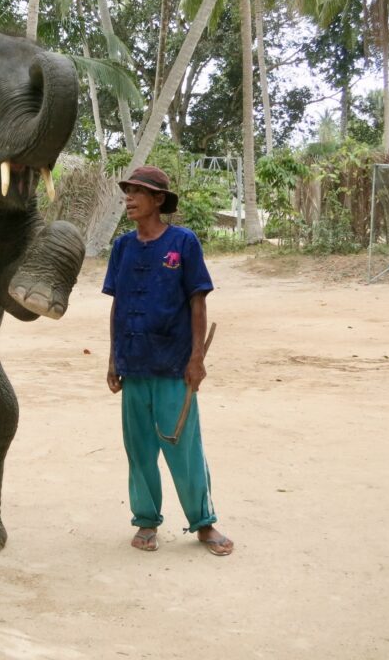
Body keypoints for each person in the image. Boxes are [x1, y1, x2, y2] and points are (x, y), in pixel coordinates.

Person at [102, 167, 231, 556]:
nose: (129, 198)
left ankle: (204, 523)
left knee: (184, 446)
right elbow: (117, 306)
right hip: (133, 363)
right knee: (138, 450)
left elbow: (197, 301)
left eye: (138, 192)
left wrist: (196, 359)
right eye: (127, 191)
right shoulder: (123, 247)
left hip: (174, 364)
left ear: (158, 200)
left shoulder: (183, 242)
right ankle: (145, 521)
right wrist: (112, 359)